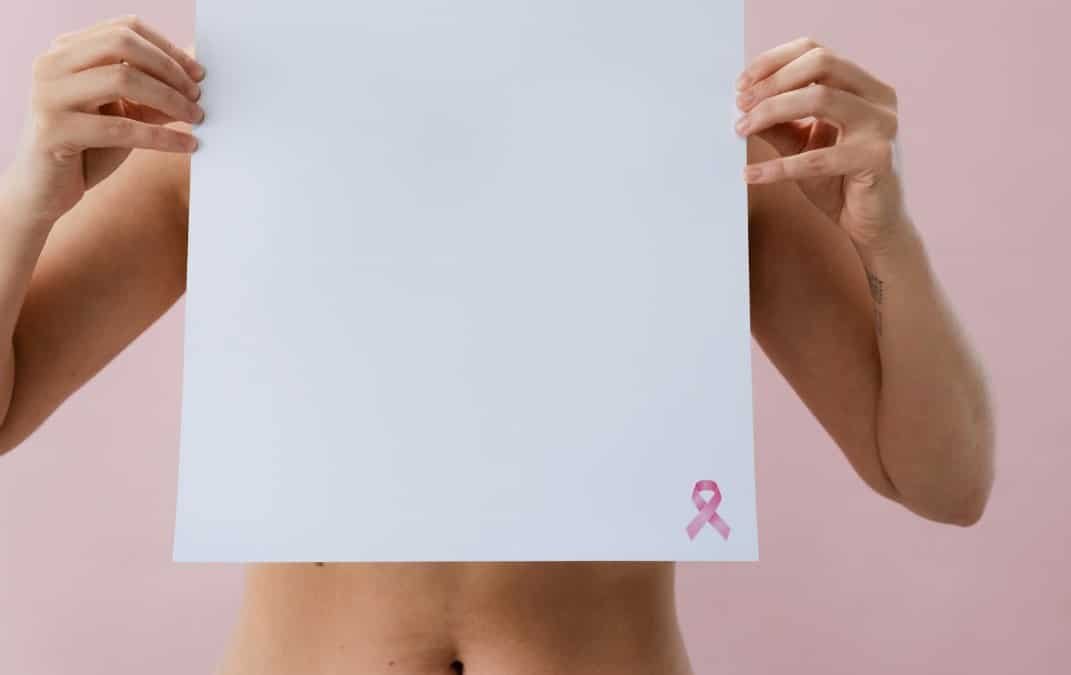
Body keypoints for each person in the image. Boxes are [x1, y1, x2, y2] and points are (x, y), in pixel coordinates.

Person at [0, 14, 995, 675]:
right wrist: (28, 201)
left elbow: (944, 484)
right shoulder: (224, 139)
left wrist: (886, 239)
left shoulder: (708, 136)